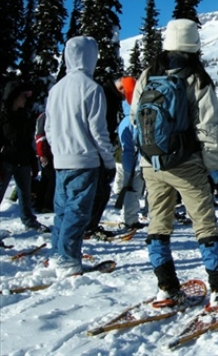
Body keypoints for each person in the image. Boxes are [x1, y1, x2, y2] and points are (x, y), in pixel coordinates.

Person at [130, 18, 218, 312]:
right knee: (205, 225)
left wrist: (147, 156)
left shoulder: (147, 75)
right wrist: (212, 166)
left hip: (151, 163)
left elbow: (134, 119)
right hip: (186, 164)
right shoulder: (197, 78)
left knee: (158, 225)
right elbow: (209, 129)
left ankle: (166, 289)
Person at [45, 36, 116, 276]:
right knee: (77, 213)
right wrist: (108, 160)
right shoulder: (91, 88)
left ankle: (57, 255)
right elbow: (98, 131)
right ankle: (68, 259)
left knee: (62, 211)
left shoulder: (56, 89)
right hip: (84, 160)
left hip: (61, 159)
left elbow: (48, 128)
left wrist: (58, 150)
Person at [0, 82, 50, 232]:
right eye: (22, 97)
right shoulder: (2, 116)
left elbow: (28, 140)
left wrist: (32, 161)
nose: (25, 100)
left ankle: (29, 220)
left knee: (25, 194)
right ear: (14, 97)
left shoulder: (24, 116)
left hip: (23, 162)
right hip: (5, 162)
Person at [84, 76, 127, 240]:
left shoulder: (107, 95)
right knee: (99, 191)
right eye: (125, 95)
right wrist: (107, 156)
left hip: (95, 151)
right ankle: (89, 227)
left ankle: (89, 225)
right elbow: (100, 129)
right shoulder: (105, 96)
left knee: (98, 191)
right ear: (121, 89)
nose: (125, 99)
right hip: (97, 152)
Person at [115, 76, 145, 229]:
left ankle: (128, 218)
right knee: (133, 191)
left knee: (131, 191)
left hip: (131, 161)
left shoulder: (125, 120)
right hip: (136, 162)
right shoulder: (134, 120)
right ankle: (129, 220)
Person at [34, 111, 56, 213]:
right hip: (46, 152)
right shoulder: (45, 116)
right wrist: (42, 153)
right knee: (51, 179)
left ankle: (40, 203)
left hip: (51, 152)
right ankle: (47, 204)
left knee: (46, 178)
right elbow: (40, 136)